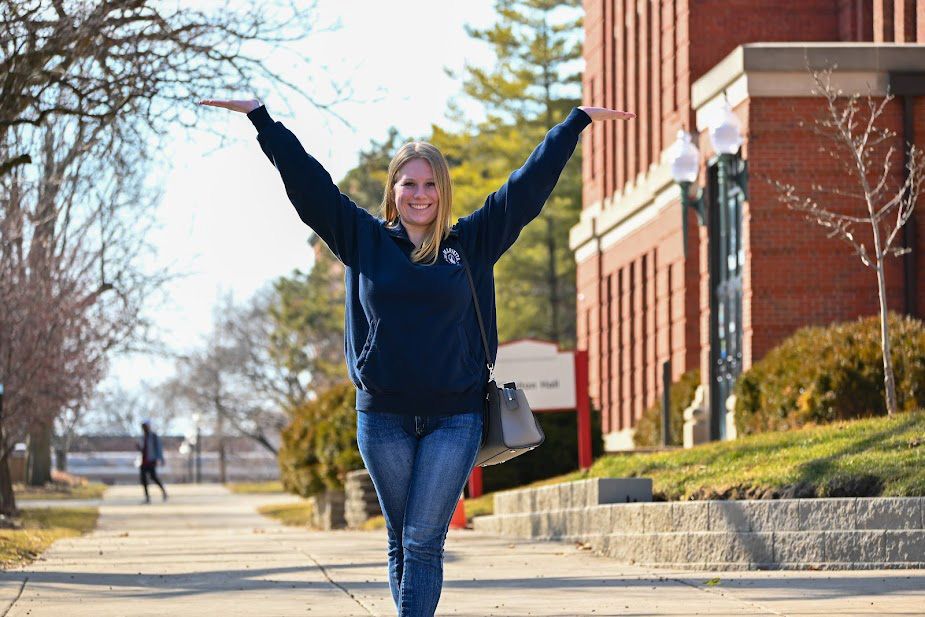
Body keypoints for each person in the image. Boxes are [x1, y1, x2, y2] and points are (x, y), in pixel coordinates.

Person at [199, 97, 633, 616]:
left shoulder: (472, 242)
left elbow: (526, 188)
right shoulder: (363, 239)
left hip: (456, 417)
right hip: (382, 418)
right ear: (393, 192)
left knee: (424, 541)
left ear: (442, 191)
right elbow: (309, 185)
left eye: (430, 184)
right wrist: (262, 120)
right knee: (401, 539)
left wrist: (575, 123)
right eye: (409, 184)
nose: (420, 195)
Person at [137, 419, 167, 504]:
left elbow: (159, 449)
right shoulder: (142, 437)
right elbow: (142, 449)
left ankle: (163, 491)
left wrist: (161, 459)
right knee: (143, 479)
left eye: (145, 426)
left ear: (148, 427)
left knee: (153, 477)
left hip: (151, 460)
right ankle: (147, 497)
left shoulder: (154, 436)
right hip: (143, 461)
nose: (144, 428)